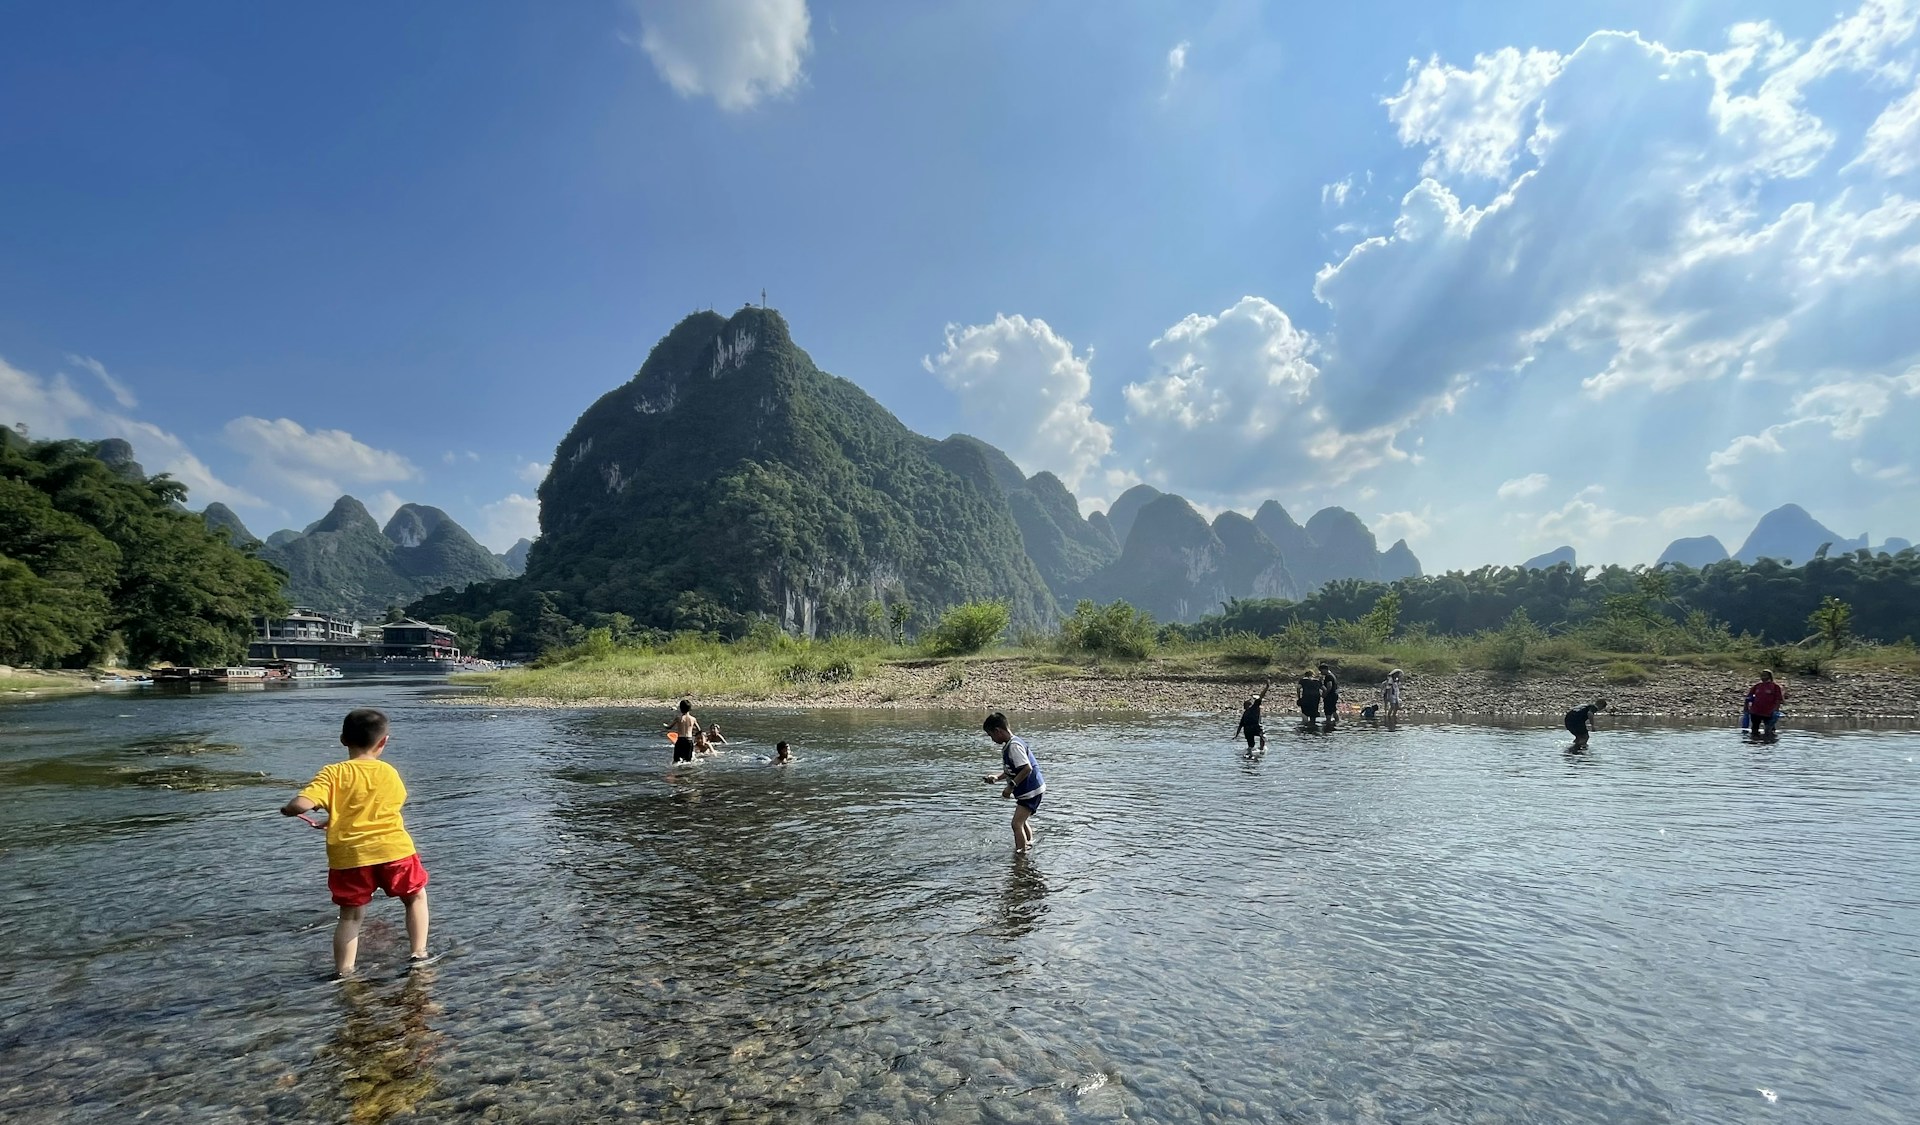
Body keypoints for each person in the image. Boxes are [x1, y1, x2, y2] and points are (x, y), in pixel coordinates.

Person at [280, 708, 431, 978]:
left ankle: (345, 973)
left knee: (350, 916)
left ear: (342, 739)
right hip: (393, 850)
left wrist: (290, 810)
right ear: (383, 741)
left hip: (350, 857)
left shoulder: (332, 773)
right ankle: (418, 953)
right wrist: (339, 817)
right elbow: (382, 808)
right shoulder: (389, 772)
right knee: (415, 898)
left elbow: (301, 804)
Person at [981, 712, 1044, 854]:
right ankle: (1028, 844)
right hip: (1032, 790)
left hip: (1030, 791)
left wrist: (1010, 787)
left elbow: (1027, 768)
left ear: (998, 731)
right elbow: (1014, 770)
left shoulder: (1014, 746)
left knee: (1016, 824)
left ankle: (1020, 856)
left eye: (991, 736)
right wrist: (997, 777)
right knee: (1022, 821)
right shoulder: (1012, 743)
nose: (992, 740)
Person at [1234, 679, 1271, 753]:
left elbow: (1240, 725)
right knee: (1262, 735)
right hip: (1255, 727)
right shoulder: (1254, 707)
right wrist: (1267, 687)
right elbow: (1261, 696)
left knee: (1251, 746)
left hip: (1248, 730)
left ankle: (1252, 751)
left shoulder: (1245, 713)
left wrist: (1236, 735)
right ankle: (1261, 749)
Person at [1746, 670, 1785, 737]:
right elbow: (1748, 697)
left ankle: (1769, 742)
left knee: (1769, 730)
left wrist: (1776, 710)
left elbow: (1779, 699)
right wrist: (1746, 708)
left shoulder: (1775, 687)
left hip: (1769, 712)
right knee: (1754, 729)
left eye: (1765, 675)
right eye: (1762, 675)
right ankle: (1754, 741)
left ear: (1769, 676)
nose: (1763, 677)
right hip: (1755, 711)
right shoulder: (1757, 686)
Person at [1319, 662, 1341, 727]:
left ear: (1324, 669)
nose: (1321, 672)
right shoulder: (1332, 675)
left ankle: (1328, 722)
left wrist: (1325, 694)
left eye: (1321, 671)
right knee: (1333, 709)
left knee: (1328, 709)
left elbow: (1329, 686)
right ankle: (1337, 721)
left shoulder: (1328, 676)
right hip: (1334, 695)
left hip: (1330, 696)